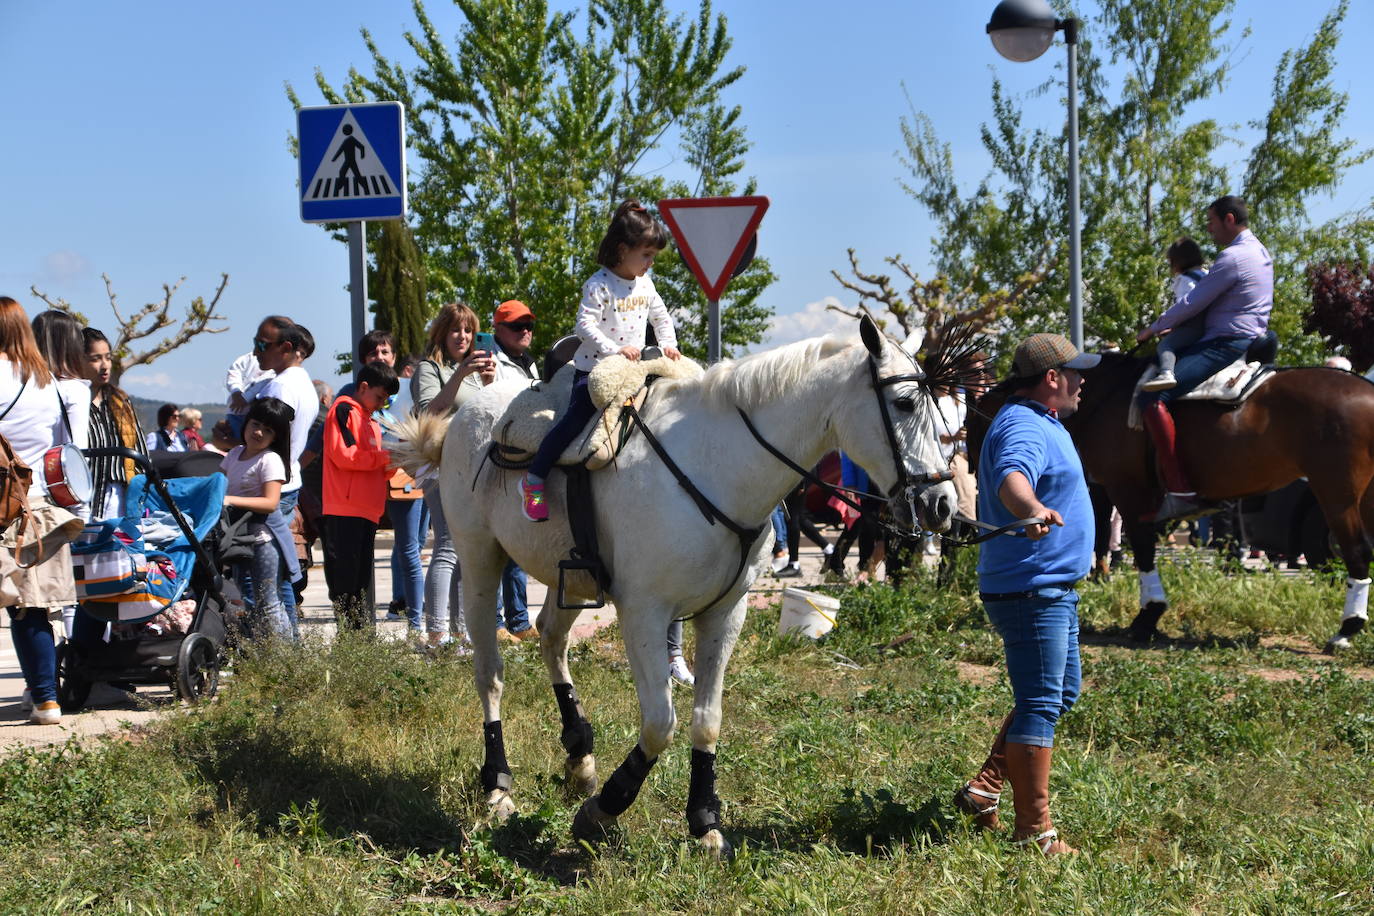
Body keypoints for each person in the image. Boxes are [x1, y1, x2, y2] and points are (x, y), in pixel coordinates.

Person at [954, 332, 1098, 856]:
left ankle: (985, 789)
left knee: (1060, 695)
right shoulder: (1022, 424)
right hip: (1030, 588)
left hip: (1049, 587)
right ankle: (1034, 831)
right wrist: (1032, 510)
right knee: (1040, 701)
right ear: (1052, 379)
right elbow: (1012, 479)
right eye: (1076, 372)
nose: (1083, 381)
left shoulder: (1043, 422)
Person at [520, 201, 681, 523]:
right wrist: (614, 349)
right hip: (595, 369)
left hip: (635, 369)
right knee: (576, 420)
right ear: (623, 250)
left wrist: (668, 345)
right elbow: (584, 326)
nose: (650, 263)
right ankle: (534, 479)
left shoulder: (645, 284)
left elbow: (662, 318)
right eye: (646, 255)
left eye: (653, 256)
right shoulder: (599, 285)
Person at [1136, 196, 1273, 520]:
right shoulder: (1260, 251)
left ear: (1228, 219)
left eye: (1211, 222)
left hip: (1224, 344)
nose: (1209, 230)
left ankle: (1180, 491)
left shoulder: (1233, 257)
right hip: (1254, 339)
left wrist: (1153, 328)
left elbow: (1192, 303)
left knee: (1152, 396)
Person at [0, 296, 85, 726]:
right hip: (37, 505)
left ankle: (45, 694)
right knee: (30, 607)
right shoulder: (45, 381)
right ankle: (46, 698)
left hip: (2, 505)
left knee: (23, 606)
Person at [412, 303, 497, 648]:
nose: (462, 337)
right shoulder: (428, 368)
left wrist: (489, 383)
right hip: (439, 466)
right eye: (455, 330)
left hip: (474, 468)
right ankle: (436, 634)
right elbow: (428, 411)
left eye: (468, 331)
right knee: (447, 545)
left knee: (468, 549)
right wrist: (460, 374)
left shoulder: (475, 372)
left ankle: (462, 635)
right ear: (441, 333)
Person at [243, 317, 317, 629]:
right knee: (279, 577)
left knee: (260, 581)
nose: (256, 351)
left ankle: (276, 652)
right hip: (287, 482)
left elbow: (264, 439)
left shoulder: (281, 386)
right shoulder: (303, 383)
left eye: (262, 344)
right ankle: (290, 652)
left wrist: (230, 438)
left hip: (268, 486)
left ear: (286, 348)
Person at [322, 361, 398, 630]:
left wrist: (396, 463)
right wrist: (387, 457)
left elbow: (374, 467)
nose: (381, 403)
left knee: (359, 581)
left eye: (386, 400)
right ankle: (349, 639)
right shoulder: (343, 410)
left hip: (367, 510)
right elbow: (344, 456)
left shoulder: (373, 423)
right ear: (363, 387)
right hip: (345, 509)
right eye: (379, 397)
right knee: (345, 582)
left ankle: (356, 638)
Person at [219, 397, 295, 640]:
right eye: (255, 424)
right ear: (246, 424)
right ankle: (263, 653)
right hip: (238, 540)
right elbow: (218, 484)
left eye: (269, 429)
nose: (259, 432)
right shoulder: (235, 454)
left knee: (269, 601)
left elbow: (270, 503)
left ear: (277, 437)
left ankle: (284, 660)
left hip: (263, 541)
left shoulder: (270, 459)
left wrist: (230, 501)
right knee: (249, 600)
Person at [489, 301, 542, 641]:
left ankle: (519, 623)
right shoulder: (489, 363)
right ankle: (494, 624)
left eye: (529, 325)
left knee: (518, 547)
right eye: (516, 325)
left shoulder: (530, 364)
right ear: (497, 329)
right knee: (494, 548)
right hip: (498, 468)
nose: (525, 330)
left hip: (524, 466)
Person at [82, 327, 147, 521]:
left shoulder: (120, 400)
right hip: (86, 502)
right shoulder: (72, 403)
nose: (105, 365)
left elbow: (141, 453)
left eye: (108, 357)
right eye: (96, 358)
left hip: (122, 501)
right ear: (78, 360)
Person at [1142, 237, 1209, 392]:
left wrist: (1170, 326)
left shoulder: (1184, 280)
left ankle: (1166, 373)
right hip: (1211, 324)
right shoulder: (1208, 274)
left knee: (1166, 345)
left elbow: (1184, 308)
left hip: (1194, 326)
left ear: (1177, 261)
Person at [225, 349, 274, 438]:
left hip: (257, 417)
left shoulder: (278, 367)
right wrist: (236, 392)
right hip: (235, 412)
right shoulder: (249, 358)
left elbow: (266, 382)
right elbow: (234, 372)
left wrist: (246, 398)